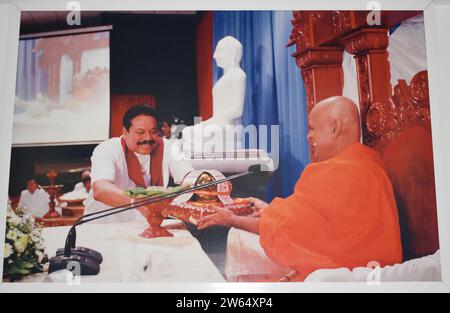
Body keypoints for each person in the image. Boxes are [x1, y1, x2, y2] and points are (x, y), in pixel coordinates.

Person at [197, 96, 403, 281]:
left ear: (335, 127)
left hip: (345, 276)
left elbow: (299, 227)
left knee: (244, 254)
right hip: (366, 271)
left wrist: (232, 220)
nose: (308, 136)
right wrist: (269, 210)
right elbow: (315, 221)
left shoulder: (342, 171)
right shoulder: (368, 164)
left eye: (312, 128)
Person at [84, 104, 194, 223]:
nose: (148, 138)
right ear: (125, 132)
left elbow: (189, 177)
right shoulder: (108, 148)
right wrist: (137, 203)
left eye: (153, 131)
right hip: (104, 224)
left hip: (142, 225)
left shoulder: (168, 147)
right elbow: (101, 189)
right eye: (140, 132)